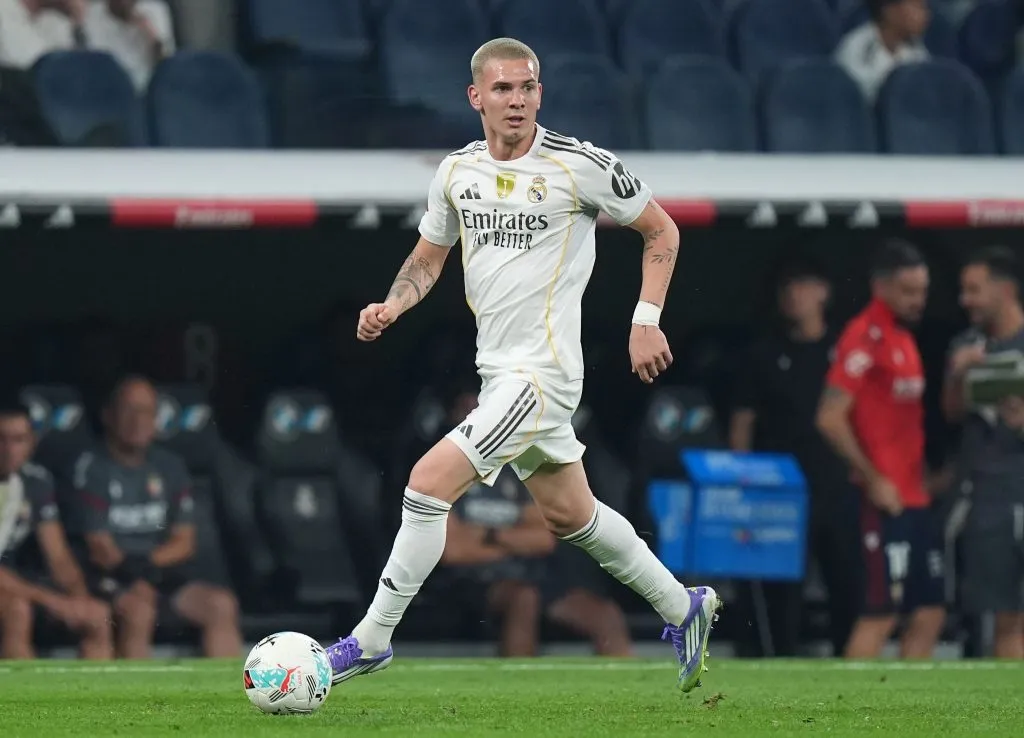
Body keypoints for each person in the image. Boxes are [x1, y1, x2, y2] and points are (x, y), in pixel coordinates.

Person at [331, 37, 720, 692]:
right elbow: (429, 258)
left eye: (529, 87)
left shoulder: (578, 164)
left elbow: (662, 230)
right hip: (499, 369)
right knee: (574, 515)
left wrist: (644, 321)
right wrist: (393, 304)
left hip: (542, 375)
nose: (518, 100)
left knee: (427, 484)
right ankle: (686, 608)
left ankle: (371, 640)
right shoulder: (456, 172)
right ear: (476, 97)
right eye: (505, 89)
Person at [816, 239, 945, 659]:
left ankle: (910, 713)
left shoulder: (904, 340)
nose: (918, 301)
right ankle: (847, 714)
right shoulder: (864, 336)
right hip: (882, 499)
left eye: (923, 291)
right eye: (909, 291)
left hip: (915, 496)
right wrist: (874, 479)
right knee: (880, 612)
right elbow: (830, 417)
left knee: (928, 612)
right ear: (881, 287)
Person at [436, 384, 633, 657]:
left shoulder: (518, 467)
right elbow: (454, 551)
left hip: (536, 577)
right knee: (524, 598)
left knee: (606, 616)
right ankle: (515, 695)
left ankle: (623, 696)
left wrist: (488, 536)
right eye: (468, 412)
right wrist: (516, 536)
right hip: (474, 582)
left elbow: (543, 540)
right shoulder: (443, 470)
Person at [729, 262, 860, 657]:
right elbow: (742, 423)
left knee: (847, 580)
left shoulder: (846, 351)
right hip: (780, 489)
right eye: (787, 286)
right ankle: (781, 661)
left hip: (837, 482)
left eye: (802, 284)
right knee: (783, 588)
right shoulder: (764, 354)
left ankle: (850, 662)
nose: (793, 294)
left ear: (824, 291)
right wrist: (742, 483)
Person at [67, 375, 242, 659]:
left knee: (221, 604)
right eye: (129, 410)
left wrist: (147, 569)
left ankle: (228, 700)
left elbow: (184, 541)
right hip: (109, 579)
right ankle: (137, 703)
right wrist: (135, 576)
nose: (139, 420)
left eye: (147, 411)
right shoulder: (91, 468)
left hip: (158, 575)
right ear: (108, 416)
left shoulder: (170, 466)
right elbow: (99, 546)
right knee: (139, 611)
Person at [942, 246, 1024, 658]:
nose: (965, 300)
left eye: (974, 289)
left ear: (1005, 289)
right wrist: (960, 372)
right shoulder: (967, 344)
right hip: (987, 493)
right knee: (1003, 612)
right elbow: (951, 413)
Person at [0, 401, 113, 659]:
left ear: (32, 443)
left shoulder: (36, 482)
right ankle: (23, 700)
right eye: (0, 439)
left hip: (16, 586)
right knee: (17, 610)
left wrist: (78, 600)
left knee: (97, 615)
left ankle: (97, 700)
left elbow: (59, 556)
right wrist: (53, 601)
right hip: (13, 594)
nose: (8, 450)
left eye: (18, 440)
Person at [834, 0, 930, 102]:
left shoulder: (917, 49)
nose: (926, 15)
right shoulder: (857, 47)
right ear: (890, 11)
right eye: (917, 8)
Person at [84, 0, 175, 91]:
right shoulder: (91, 14)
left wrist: (149, 32)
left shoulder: (155, 10)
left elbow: (168, 67)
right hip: (108, 92)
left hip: (147, 91)